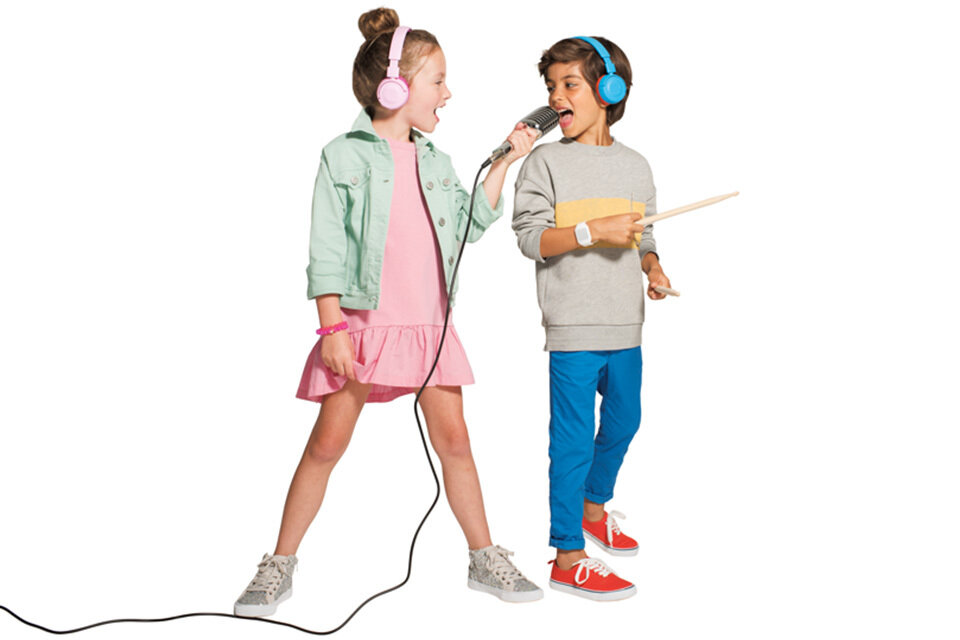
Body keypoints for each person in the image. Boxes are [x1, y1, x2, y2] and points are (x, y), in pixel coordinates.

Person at [234, 8, 543, 617]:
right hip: (364, 328)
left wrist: (505, 161)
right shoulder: (342, 156)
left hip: (429, 328)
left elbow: (470, 227)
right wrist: (332, 328)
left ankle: (483, 556)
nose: (448, 93)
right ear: (395, 88)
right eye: (439, 81)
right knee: (326, 445)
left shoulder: (437, 161)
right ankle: (278, 564)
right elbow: (326, 249)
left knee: (456, 441)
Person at [512, 35, 672, 601]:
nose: (556, 96)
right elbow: (531, 239)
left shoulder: (636, 165)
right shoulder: (544, 161)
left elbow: (644, 236)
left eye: (569, 84)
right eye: (551, 86)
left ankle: (594, 508)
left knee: (625, 422)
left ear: (608, 90)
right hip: (574, 327)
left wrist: (653, 268)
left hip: (625, 324)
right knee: (573, 441)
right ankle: (567, 554)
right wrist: (588, 231)